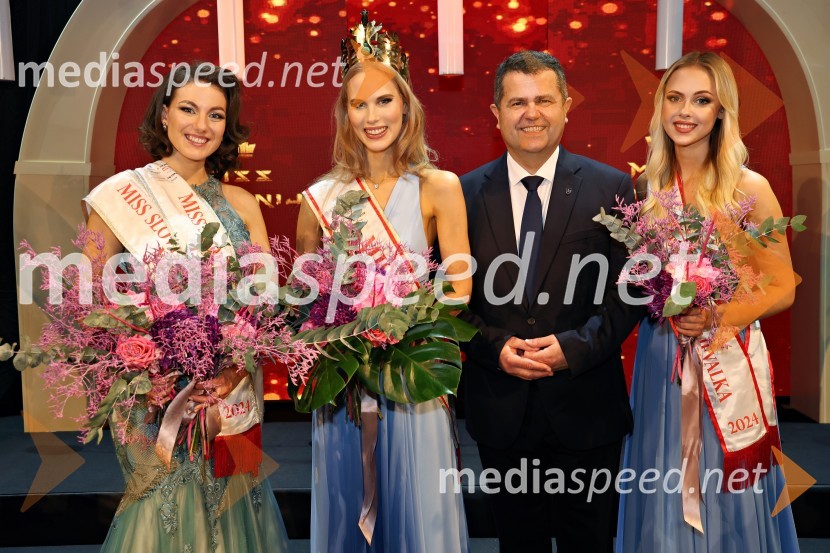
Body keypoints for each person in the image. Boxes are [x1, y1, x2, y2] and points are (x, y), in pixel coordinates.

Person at [83, 63, 289, 552]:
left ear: (227, 126)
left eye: (216, 115)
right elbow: (91, 300)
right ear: (164, 116)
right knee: (163, 509)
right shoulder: (119, 197)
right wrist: (154, 368)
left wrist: (234, 369)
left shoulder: (243, 204)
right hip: (157, 397)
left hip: (232, 389)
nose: (202, 125)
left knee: (236, 506)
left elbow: (265, 304)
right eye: (189, 110)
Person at [295, 11, 472, 553]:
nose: (373, 116)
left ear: (406, 105)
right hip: (345, 387)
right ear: (345, 115)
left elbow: (459, 288)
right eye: (359, 104)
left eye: (384, 100)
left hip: (411, 381)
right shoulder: (317, 199)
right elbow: (306, 298)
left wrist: (399, 327)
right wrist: (345, 331)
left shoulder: (439, 187)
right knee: (350, 508)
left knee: (420, 515)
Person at [459, 50, 644, 553]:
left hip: (587, 404)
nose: (531, 112)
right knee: (519, 543)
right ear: (495, 113)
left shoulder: (613, 187)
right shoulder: (462, 194)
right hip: (501, 406)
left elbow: (632, 291)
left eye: (543, 99)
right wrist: (494, 347)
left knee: (590, 542)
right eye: (517, 101)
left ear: (566, 107)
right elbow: (447, 301)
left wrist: (575, 348)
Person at [616, 51, 800, 552]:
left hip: (725, 358)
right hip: (661, 361)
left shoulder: (750, 188)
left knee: (724, 484)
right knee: (661, 471)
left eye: (701, 100)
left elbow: (781, 284)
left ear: (722, 111)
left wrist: (717, 316)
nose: (685, 111)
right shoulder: (643, 188)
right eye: (674, 98)